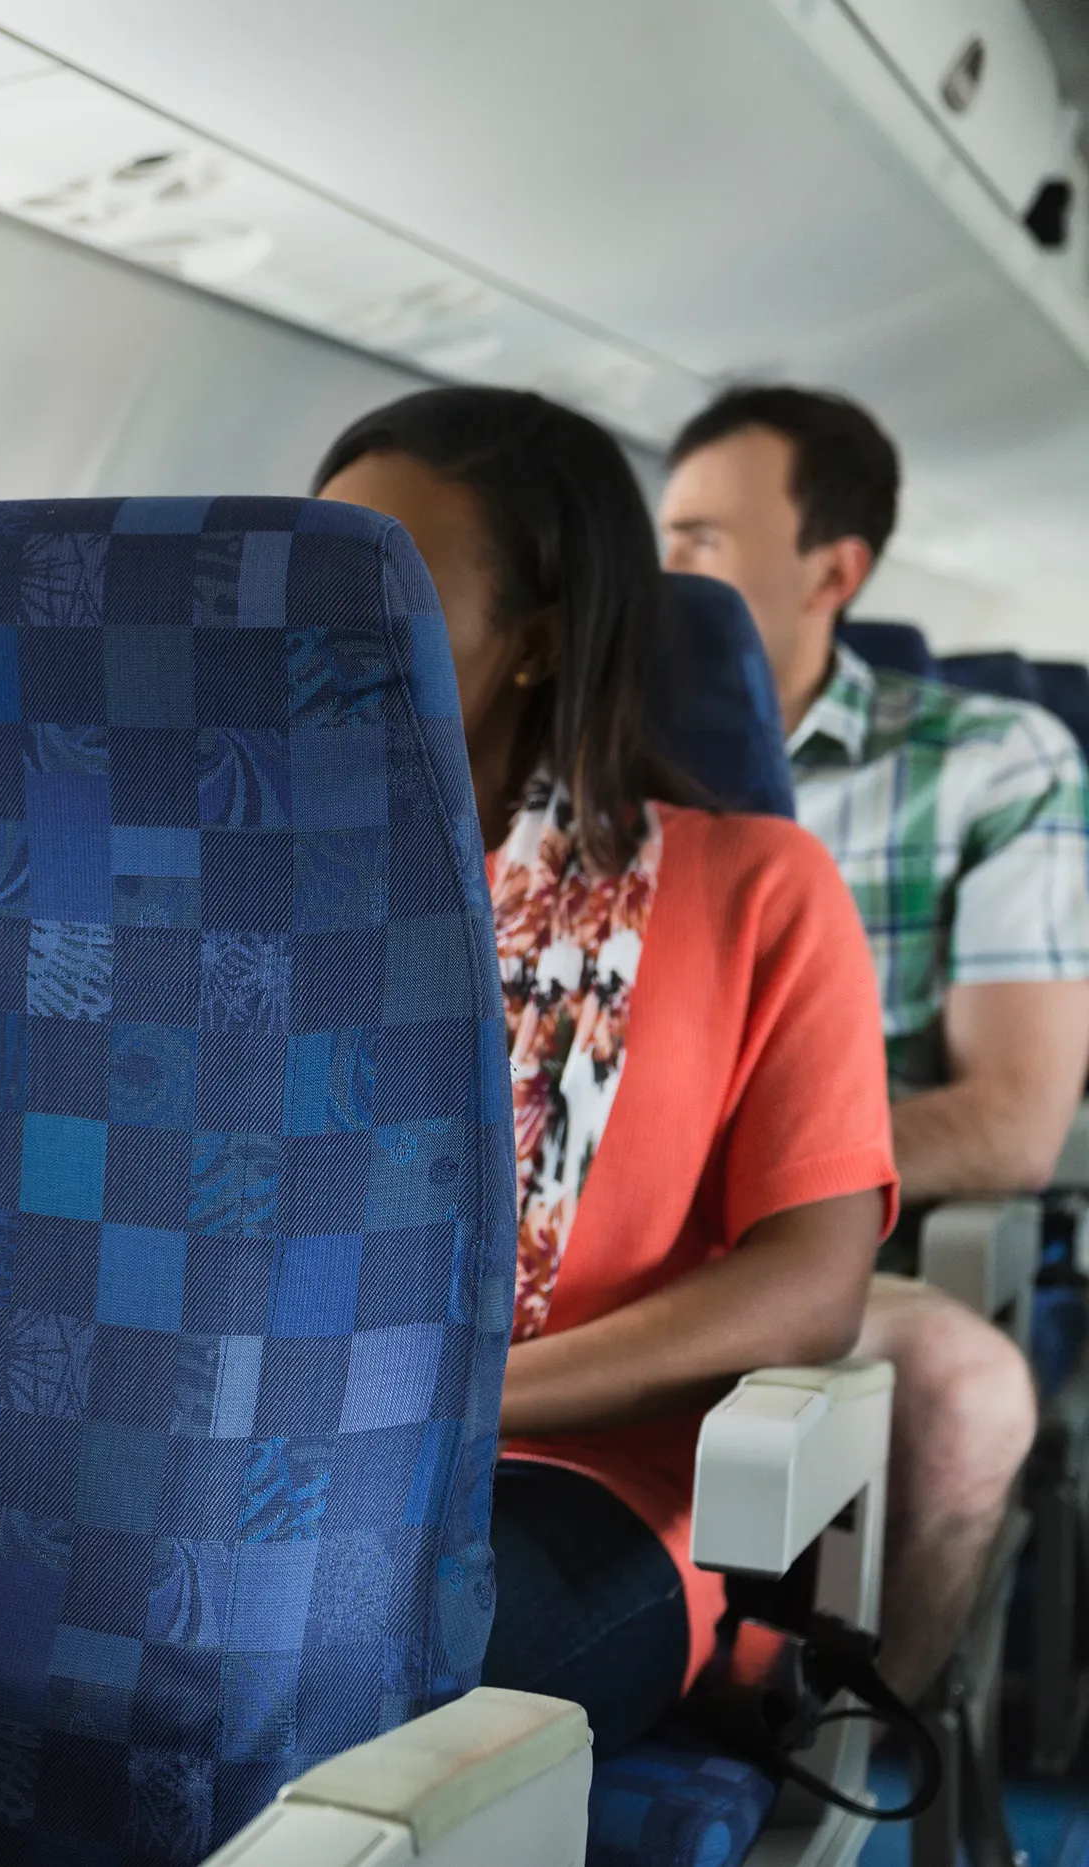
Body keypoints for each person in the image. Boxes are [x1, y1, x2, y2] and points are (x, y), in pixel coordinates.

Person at [316, 386, 897, 1748]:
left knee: (341, 1699)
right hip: (262, 1457)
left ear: (539, 639)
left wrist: (457, 1393)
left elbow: (809, 1285)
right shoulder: (254, 882)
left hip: (579, 1476)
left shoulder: (762, 890)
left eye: (379, 583)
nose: (317, 621)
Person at [663, 385, 1085, 1697]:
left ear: (833, 569)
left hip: (847, 1241)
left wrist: (725, 1183)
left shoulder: (995, 760)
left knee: (969, 1397)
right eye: (660, 539)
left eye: (703, 542)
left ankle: (840, 1743)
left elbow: (1013, 1117)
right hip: (617, 1236)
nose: (665, 574)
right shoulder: (606, 753)